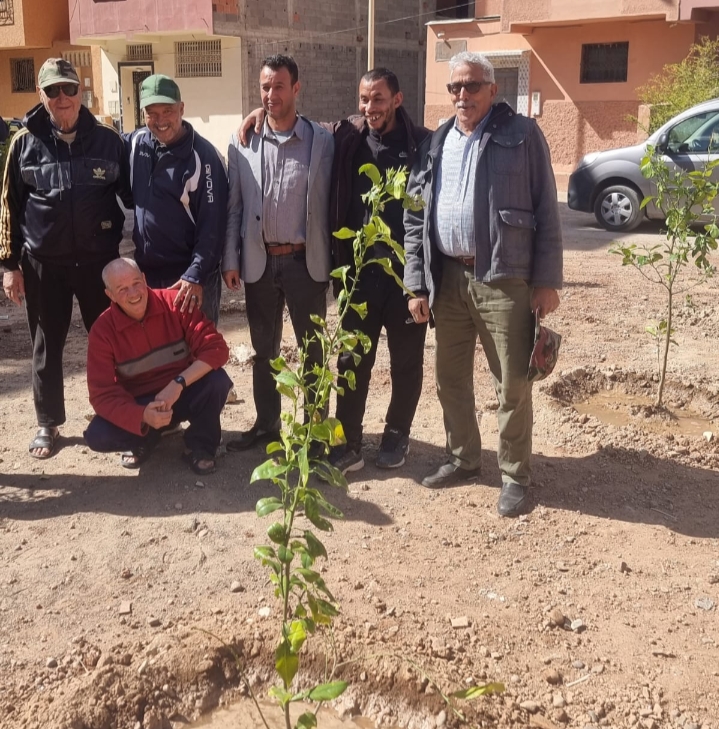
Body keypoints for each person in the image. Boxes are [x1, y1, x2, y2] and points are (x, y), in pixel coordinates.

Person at [403, 51, 563, 517]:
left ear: (493, 90)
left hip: (504, 277)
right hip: (448, 277)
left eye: (472, 85)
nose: (462, 94)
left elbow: (546, 209)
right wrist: (417, 284)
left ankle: (514, 475)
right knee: (450, 378)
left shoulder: (522, 134)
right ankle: (463, 459)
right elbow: (415, 216)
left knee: (511, 382)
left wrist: (546, 280)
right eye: (455, 87)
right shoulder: (437, 141)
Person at [0, 58, 131, 460]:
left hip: (98, 263)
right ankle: (48, 422)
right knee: (46, 345)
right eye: (53, 90)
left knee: (112, 343)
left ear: (81, 92)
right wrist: (9, 266)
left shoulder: (109, 141)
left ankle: (119, 416)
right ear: (41, 95)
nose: (62, 98)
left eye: (69, 89)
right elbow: (9, 208)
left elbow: (136, 198)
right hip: (45, 264)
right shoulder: (24, 143)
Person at [222, 54, 334, 451]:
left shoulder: (322, 141)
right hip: (260, 262)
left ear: (296, 88)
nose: (271, 95)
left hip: (306, 262)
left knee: (313, 353)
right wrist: (231, 259)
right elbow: (234, 207)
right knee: (264, 351)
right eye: (265, 87)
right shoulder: (243, 143)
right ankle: (267, 425)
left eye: (279, 86)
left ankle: (314, 433)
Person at [84, 258, 232, 474]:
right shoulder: (102, 331)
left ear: (145, 279)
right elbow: (102, 395)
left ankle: (201, 445)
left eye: (136, 283)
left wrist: (178, 383)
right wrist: (141, 415)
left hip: (183, 393)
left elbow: (216, 348)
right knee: (97, 435)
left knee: (217, 381)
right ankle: (146, 437)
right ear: (110, 295)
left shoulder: (175, 302)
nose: (133, 293)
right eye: (122, 289)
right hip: (142, 403)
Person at [124, 74, 228, 324]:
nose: (160, 121)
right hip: (148, 276)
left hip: (189, 278)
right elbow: (101, 143)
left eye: (167, 111)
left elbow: (213, 227)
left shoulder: (204, 156)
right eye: (152, 113)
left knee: (198, 346)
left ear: (181, 108)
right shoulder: (135, 144)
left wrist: (195, 274)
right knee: (157, 346)